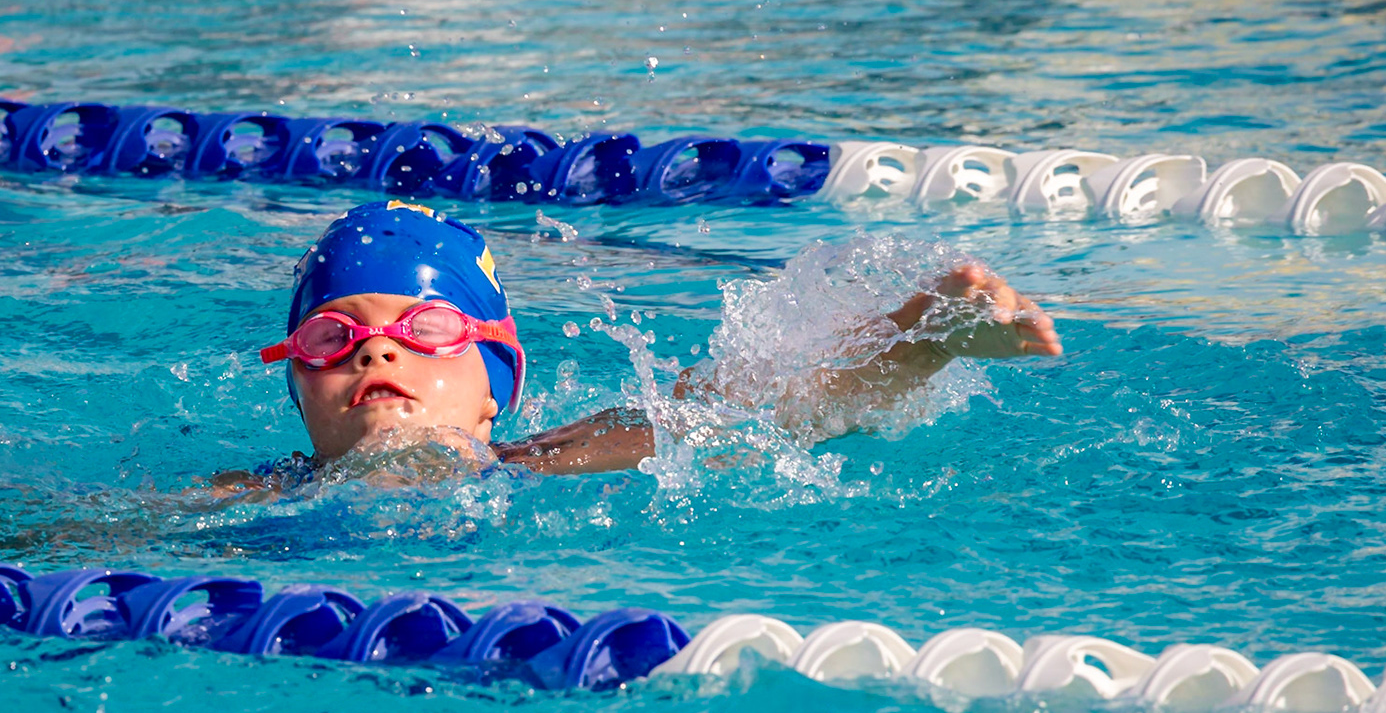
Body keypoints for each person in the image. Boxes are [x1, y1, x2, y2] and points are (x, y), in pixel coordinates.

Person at [209, 200, 1060, 494]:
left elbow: (789, 418)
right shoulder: (250, 497)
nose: (376, 355)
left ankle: (920, 327)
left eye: (425, 330)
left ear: (495, 385)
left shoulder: (537, 466)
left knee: (712, 410)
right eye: (332, 337)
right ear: (298, 389)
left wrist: (922, 347)